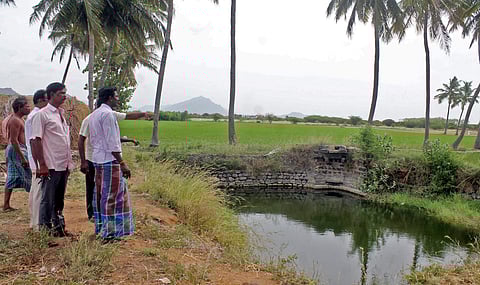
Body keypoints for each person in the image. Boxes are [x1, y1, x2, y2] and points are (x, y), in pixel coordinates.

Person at [78, 102, 147, 221]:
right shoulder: (89, 119)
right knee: (93, 187)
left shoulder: (110, 115)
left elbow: (127, 117)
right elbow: (81, 139)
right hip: (93, 158)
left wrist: (143, 114)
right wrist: (83, 161)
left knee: (105, 188)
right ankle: (93, 213)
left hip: (107, 160)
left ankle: (102, 213)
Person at [88, 87, 134, 239]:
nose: (118, 99)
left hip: (99, 159)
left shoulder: (94, 114)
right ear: (109, 98)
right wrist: (122, 162)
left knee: (102, 195)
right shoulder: (107, 115)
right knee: (112, 197)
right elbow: (111, 141)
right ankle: (110, 233)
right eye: (116, 96)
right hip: (110, 160)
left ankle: (102, 229)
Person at [31, 82, 73, 236]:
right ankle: (45, 231)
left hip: (63, 164)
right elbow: (36, 140)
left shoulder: (60, 114)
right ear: (52, 95)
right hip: (51, 164)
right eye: (61, 93)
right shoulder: (42, 115)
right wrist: (42, 165)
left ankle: (58, 228)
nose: (65, 96)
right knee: (47, 199)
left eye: (65, 93)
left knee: (59, 198)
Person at [2, 96, 31, 211]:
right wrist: (22, 158)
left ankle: (6, 205)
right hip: (16, 150)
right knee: (28, 175)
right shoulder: (14, 120)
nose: (29, 108)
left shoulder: (20, 119)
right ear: (19, 107)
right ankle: (35, 202)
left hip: (19, 149)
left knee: (12, 177)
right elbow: (14, 140)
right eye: (26, 106)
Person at [25, 90, 49, 229]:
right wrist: (41, 163)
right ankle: (37, 224)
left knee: (36, 191)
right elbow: (35, 141)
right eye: (46, 100)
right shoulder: (36, 116)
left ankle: (35, 222)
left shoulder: (33, 115)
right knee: (39, 192)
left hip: (35, 159)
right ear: (40, 101)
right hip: (37, 160)